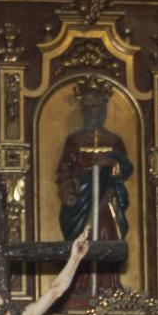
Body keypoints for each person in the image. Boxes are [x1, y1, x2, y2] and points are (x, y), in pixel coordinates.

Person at [56, 76, 132, 245]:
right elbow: (64, 170)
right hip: (81, 199)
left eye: (94, 107)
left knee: (106, 234)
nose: (90, 112)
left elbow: (126, 168)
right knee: (80, 240)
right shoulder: (74, 140)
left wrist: (110, 162)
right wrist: (70, 186)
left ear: (103, 108)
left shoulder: (113, 140)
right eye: (86, 107)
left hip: (106, 197)